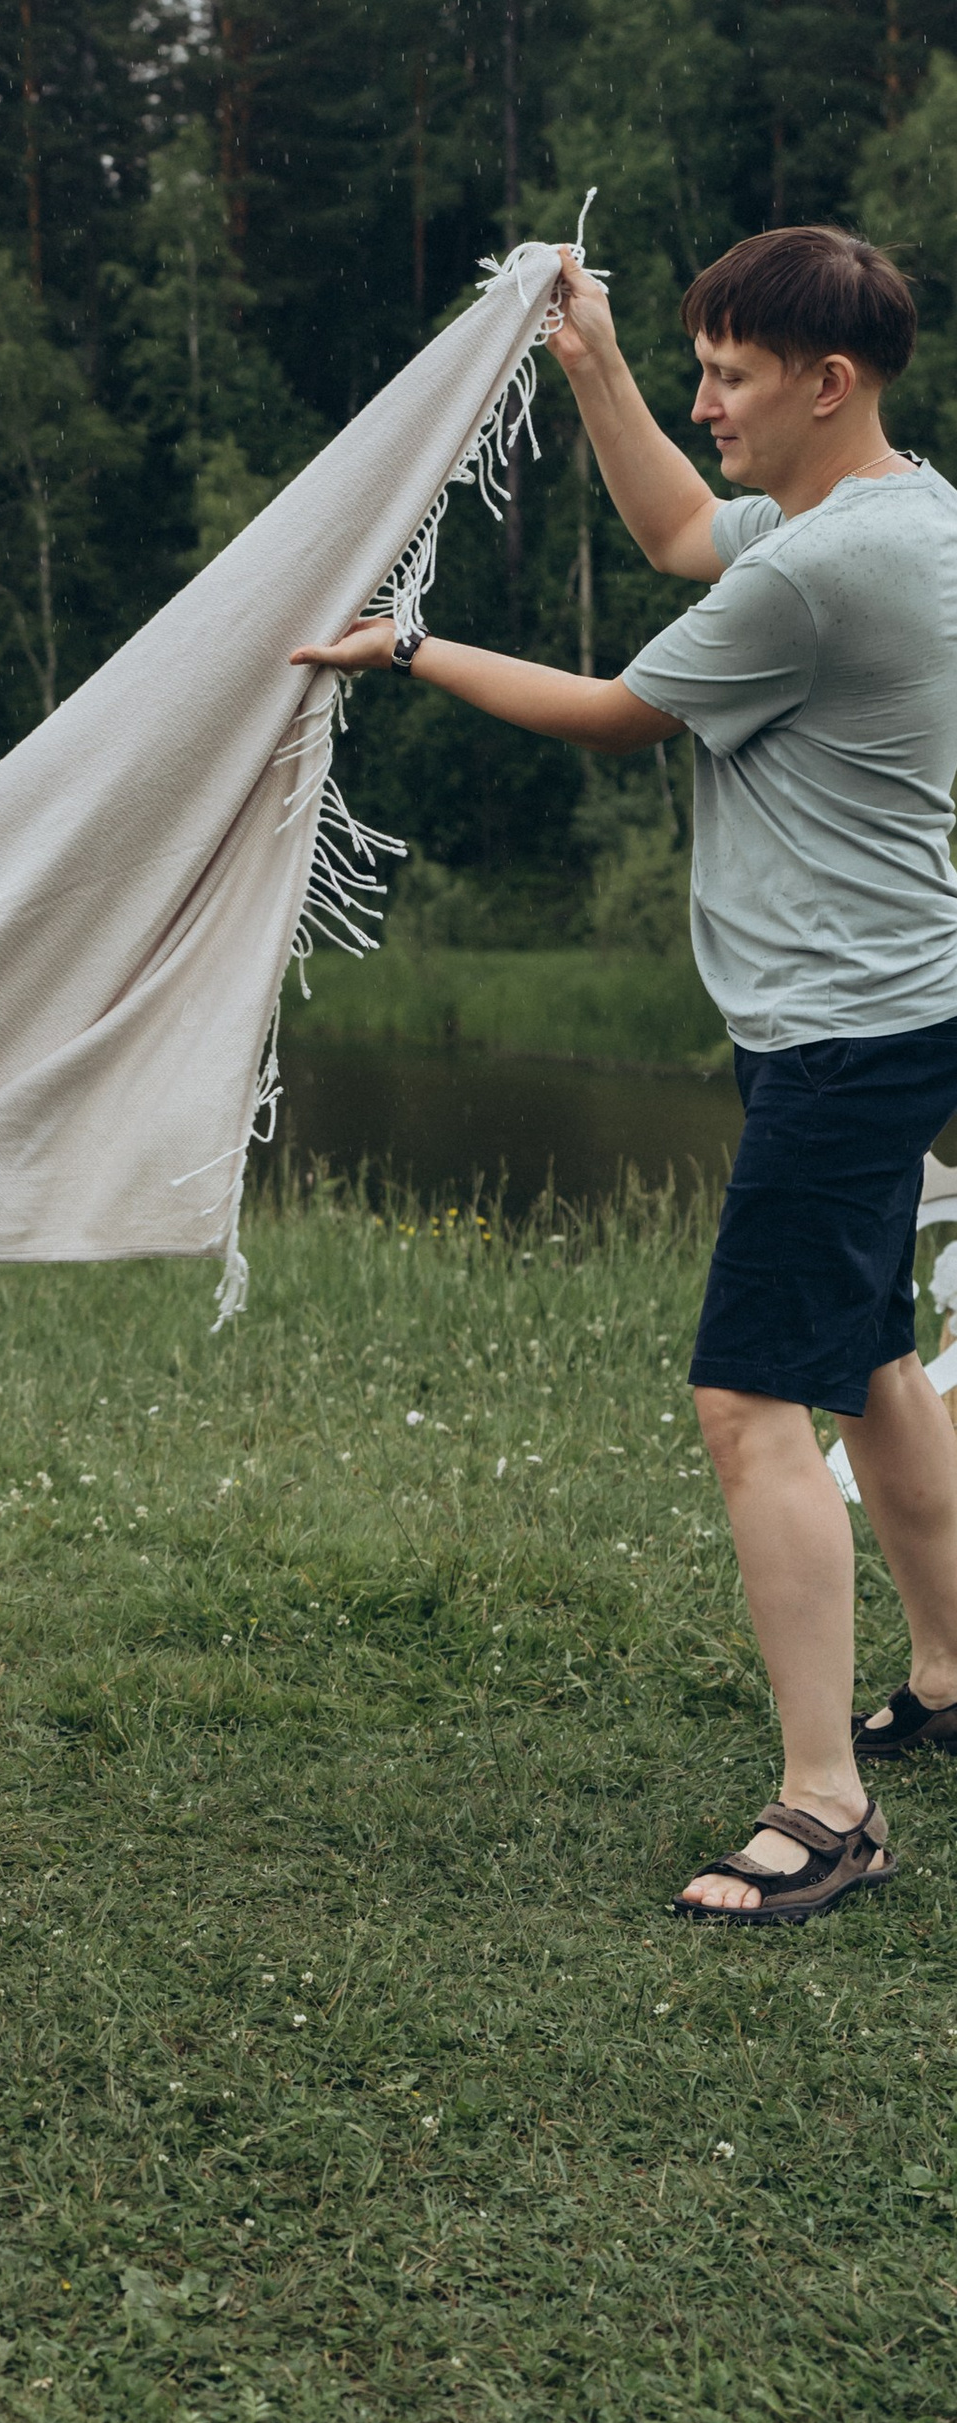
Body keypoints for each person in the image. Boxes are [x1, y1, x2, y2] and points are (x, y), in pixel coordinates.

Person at [295, 224, 957, 1927]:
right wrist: (583, 360)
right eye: (693, 363)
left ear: (831, 383)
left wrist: (413, 651)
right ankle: (952, 1679)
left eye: (730, 375)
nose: (706, 397)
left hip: (843, 1034)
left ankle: (829, 1806)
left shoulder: (821, 573)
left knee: (752, 1400)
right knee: (870, 1354)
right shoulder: (891, 510)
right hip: (884, 1008)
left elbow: (610, 710)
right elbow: (675, 531)